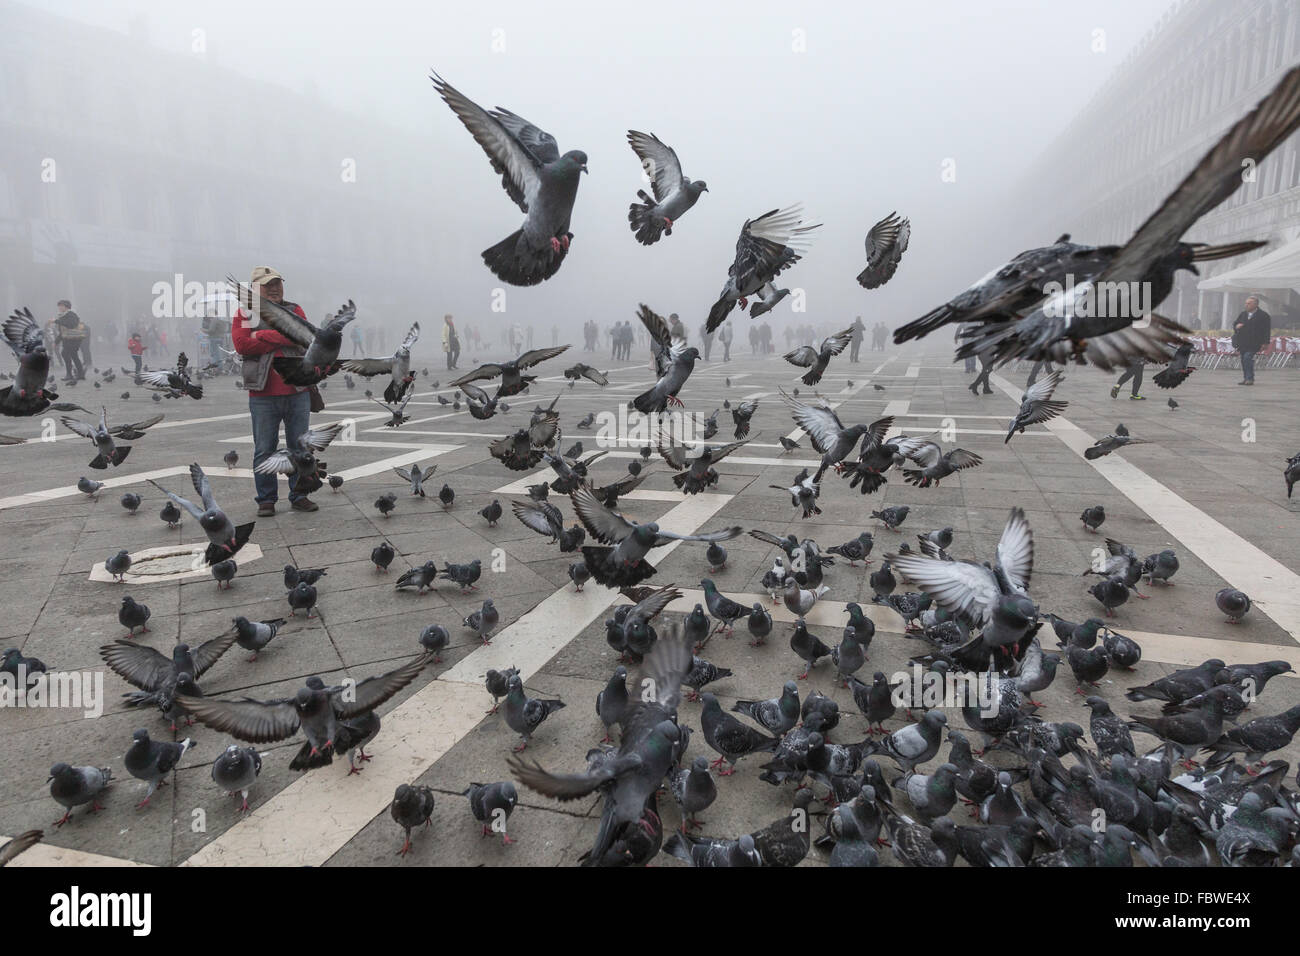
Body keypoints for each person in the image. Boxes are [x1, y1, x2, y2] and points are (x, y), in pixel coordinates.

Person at [231, 266, 319, 516]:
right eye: (267, 284)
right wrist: (283, 334)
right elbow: (241, 345)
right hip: (263, 395)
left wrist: (264, 335)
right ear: (255, 289)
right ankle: (266, 499)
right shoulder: (244, 313)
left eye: (277, 283)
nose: (274, 288)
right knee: (264, 449)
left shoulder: (295, 310)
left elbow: (305, 337)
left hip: (297, 391)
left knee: (300, 448)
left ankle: (299, 494)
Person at [1232, 294, 1271, 385]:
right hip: (1243, 342)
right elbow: (1235, 324)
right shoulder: (1243, 314)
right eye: (1246, 303)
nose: (1246, 305)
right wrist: (1236, 326)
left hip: (1255, 342)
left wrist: (1265, 343)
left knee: (1247, 358)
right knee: (1243, 360)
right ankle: (1246, 378)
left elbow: (1266, 330)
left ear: (1256, 304)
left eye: (1249, 303)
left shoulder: (1264, 315)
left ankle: (1250, 378)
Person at [54, 300, 87, 381]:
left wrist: (56, 321)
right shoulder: (63, 316)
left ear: (66, 307)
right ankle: (80, 374)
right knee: (74, 356)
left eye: (61, 306)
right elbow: (63, 331)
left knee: (65, 353)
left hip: (73, 340)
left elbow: (71, 325)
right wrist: (56, 341)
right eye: (59, 306)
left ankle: (69, 374)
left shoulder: (71, 314)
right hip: (68, 340)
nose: (60, 307)